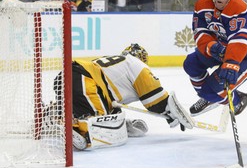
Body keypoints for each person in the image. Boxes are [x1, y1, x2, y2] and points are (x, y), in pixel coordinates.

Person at [53, 44, 193, 150]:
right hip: (82, 80)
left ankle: (54, 114)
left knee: (110, 114)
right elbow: (157, 103)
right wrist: (172, 113)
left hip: (67, 78)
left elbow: (108, 98)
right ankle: (73, 126)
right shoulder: (138, 66)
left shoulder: (117, 65)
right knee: (98, 126)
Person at [183, 0, 247, 117]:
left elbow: (239, 39)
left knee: (216, 89)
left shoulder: (239, 6)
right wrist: (212, 46)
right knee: (191, 64)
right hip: (223, 47)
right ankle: (209, 97)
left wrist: (231, 63)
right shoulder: (202, 5)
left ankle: (238, 100)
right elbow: (200, 32)